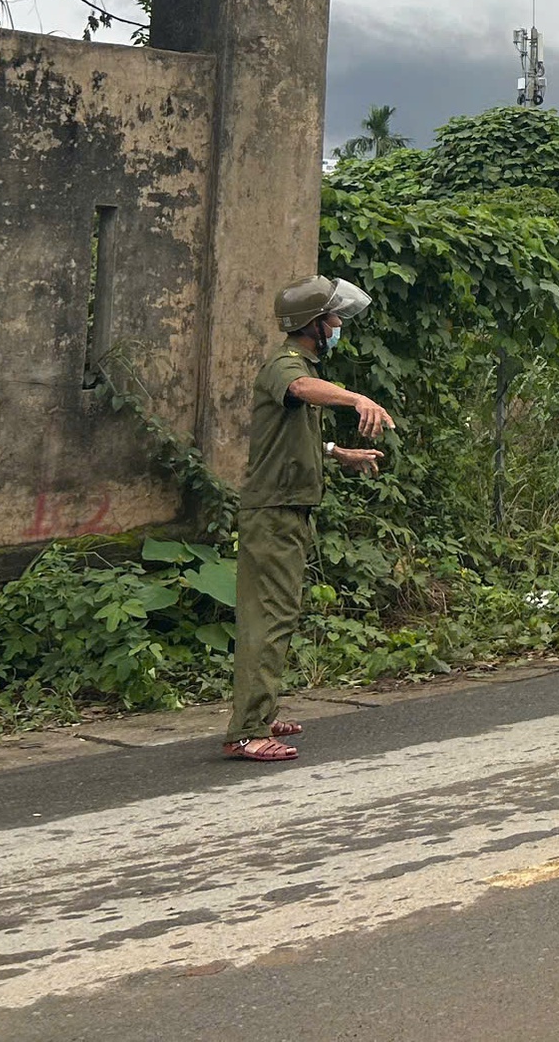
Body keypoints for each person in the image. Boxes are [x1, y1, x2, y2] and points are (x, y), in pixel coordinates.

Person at [224, 275, 393, 764]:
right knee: (269, 617)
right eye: (333, 318)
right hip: (273, 511)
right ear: (312, 325)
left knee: (275, 614)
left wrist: (337, 452)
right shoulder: (287, 365)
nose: (339, 325)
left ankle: (260, 710)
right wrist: (357, 399)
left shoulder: (297, 366)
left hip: (284, 508)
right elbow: (300, 388)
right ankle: (247, 732)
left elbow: (285, 432)